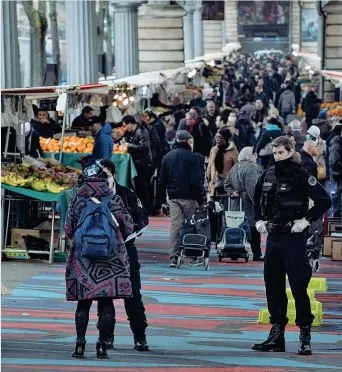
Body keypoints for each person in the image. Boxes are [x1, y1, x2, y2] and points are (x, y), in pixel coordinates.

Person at [252, 136, 331, 355]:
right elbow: (256, 201)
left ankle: (305, 335)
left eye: (281, 153)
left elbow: (325, 200)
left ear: (290, 152)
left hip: (294, 239)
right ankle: (277, 334)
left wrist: (306, 220)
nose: (277, 157)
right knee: (273, 287)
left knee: (299, 288)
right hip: (273, 238)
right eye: (275, 153)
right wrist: (258, 220)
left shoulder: (301, 174)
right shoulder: (266, 174)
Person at [64, 163, 134, 359]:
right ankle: (102, 345)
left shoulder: (77, 200)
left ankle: (79, 345)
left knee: (83, 304)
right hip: (110, 259)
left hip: (83, 260)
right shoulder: (114, 199)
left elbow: (68, 230)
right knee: (106, 303)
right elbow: (128, 227)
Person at [98, 159, 149, 351]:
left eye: (105, 174)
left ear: (113, 173)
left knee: (133, 293)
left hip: (127, 249)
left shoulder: (127, 194)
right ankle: (105, 336)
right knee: (104, 295)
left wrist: (130, 233)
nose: (102, 178)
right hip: (102, 251)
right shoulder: (90, 195)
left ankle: (140, 336)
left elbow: (142, 218)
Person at [159, 130, 205, 267]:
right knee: (193, 225)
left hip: (173, 197)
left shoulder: (167, 157)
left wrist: (161, 200)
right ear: (188, 141)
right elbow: (196, 181)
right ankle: (195, 254)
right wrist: (200, 198)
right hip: (190, 197)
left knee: (175, 226)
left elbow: (162, 181)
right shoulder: (193, 157)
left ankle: (174, 256)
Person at [224, 147, 263, 261]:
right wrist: (258, 203)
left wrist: (232, 192)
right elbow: (252, 188)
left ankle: (235, 250)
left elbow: (226, 183)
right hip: (249, 204)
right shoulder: (251, 168)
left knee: (237, 225)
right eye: (254, 154)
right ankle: (257, 253)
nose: (256, 156)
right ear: (249, 155)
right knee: (253, 228)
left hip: (237, 203)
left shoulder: (235, 167)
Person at [123, 115, 152, 209]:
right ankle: (138, 207)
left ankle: (145, 208)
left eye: (125, 125)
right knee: (137, 186)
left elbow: (143, 146)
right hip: (135, 162)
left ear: (130, 124)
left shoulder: (142, 132)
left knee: (142, 186)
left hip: (142, 162)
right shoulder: (129, 132)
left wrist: (128, 145)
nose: (125, 128)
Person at [207, 127, 238, 197]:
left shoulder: (234, 152)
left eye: (220, 138)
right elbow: (210, 166)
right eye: (216, 137)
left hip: (227, 186)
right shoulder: (214, 150)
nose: (217, 140)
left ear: (226, 138)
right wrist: (208, 179)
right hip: (214, 185)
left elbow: (236, 169)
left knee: (226, 206)